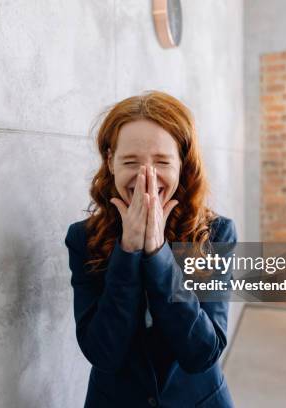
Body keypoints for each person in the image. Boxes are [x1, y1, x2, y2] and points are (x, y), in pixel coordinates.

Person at [65, 90, 237, 407]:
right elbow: (103, 352)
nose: (147, 176)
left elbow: (202, 353)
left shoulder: (216, 234)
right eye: (131, 161)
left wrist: (158, 255)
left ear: (182, 165)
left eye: (162, 162)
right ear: (110, 162)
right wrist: (127, 252)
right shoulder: (82, 239)